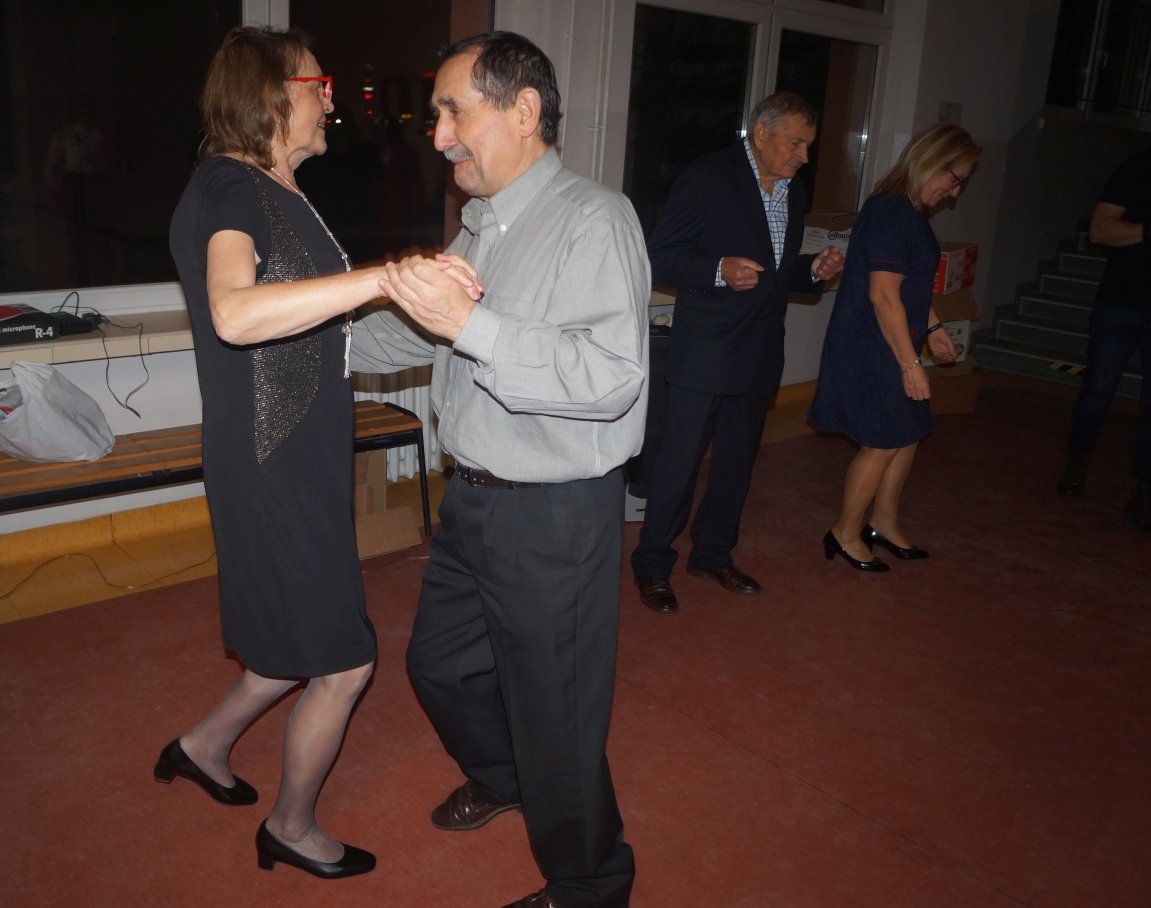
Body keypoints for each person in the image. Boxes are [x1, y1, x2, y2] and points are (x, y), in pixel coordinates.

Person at [157, 27, 479, 880]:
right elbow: (235, 313)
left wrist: (418, 295)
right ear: (271, 95)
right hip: (272, 466)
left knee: (285, 640)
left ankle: (201, 747)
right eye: (318, 82)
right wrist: (383, 277)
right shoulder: (231, 185)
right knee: (343, 659)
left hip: (293, 459)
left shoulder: (274, 188)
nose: (331, 98)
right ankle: (291, 828)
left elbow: (310, 326)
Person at [349, 31, 649, 908]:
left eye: (454, 111)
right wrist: (313, 336)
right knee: (439, 666)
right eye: (437, 114)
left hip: (554, 513)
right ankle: (508, 779)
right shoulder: (485, 224)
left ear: (524, 110)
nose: (437, 134)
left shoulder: (595, 220)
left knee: (557, 714)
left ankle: (592, 884)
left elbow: (611, 377)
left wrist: (469, 326)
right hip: (474, 501)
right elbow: (414, 334)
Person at [630, 93, 845, 613]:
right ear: (762, 133)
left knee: (736, 464)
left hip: (760, 351)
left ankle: (712, 553)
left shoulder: (793, 190)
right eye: (796, 143)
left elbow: (775, 269)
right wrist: (717, 269)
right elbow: (660, 257)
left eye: (809, 146)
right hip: (706, 351)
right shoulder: (708, 177)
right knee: (679, 464)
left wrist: (811, 271)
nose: (804, 156)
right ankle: (652, 563)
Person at [808, 124, 979, 570]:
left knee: (908, 433)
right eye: (955, 180)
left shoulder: (908, 210)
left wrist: (934, 327)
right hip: (874, 347)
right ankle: (844, 532)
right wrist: (910, 365)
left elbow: (910, 288)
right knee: (883, 441)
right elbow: (883, 297)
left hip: (893, 340)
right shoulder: (891, 212)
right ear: (933, 161)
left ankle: (882, 522)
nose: (954, 193)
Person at [1056, 151, 1151, 533]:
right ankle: (1077, 460)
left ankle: (1144, 490)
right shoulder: (1138, 168)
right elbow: (1099, 230)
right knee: (1096, 391)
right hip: (1120, 302)